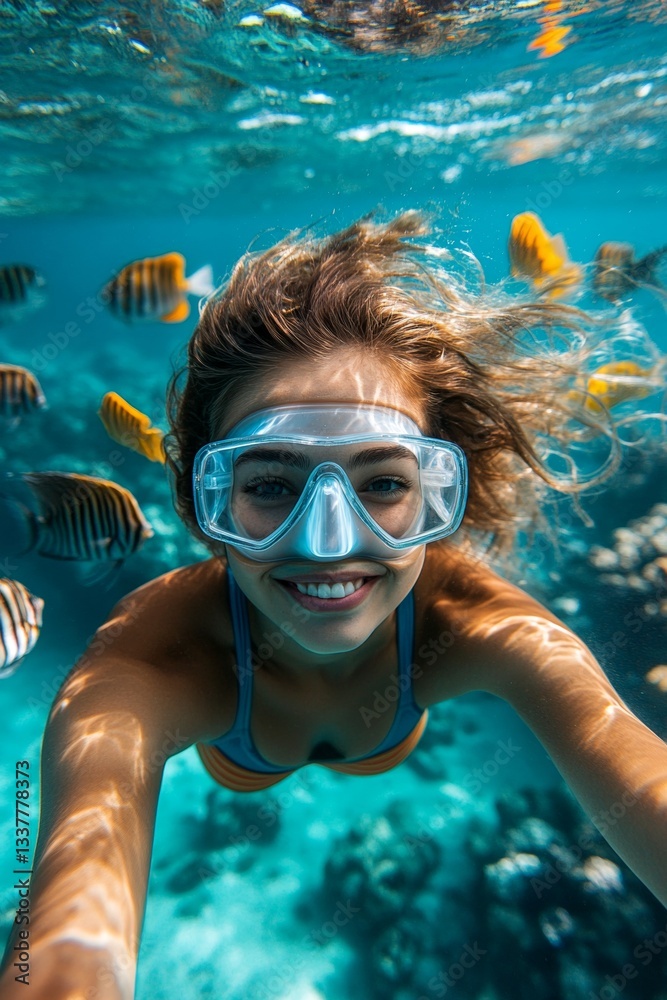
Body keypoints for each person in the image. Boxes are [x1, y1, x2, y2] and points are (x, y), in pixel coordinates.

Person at [1, 212, 666, 999]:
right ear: (201, 501)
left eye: (384, 483)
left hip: (352, 737)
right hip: (244, 762)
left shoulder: (483, 621)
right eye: (270, 486)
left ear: (438, 493)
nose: (324, 545)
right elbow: (64, 935)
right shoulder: (149, 658)